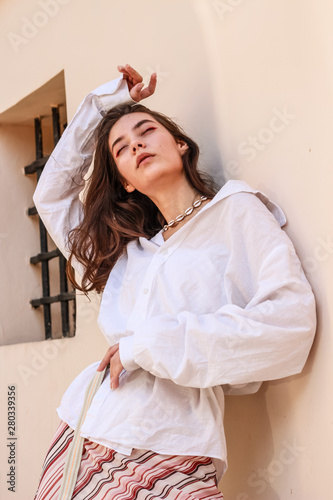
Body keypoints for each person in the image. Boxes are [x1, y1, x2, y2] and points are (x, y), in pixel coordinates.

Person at [33, 64, 316, 499]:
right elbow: (50, 195)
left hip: (174, 448)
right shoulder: (127, 253)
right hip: (83, 432)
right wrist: (107, 103)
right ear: (125, 182)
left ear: (180, 144)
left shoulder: (236, 211)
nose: (137, 144)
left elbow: (290, 326)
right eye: (122, 148)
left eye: (146, 130)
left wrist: (146, 346)